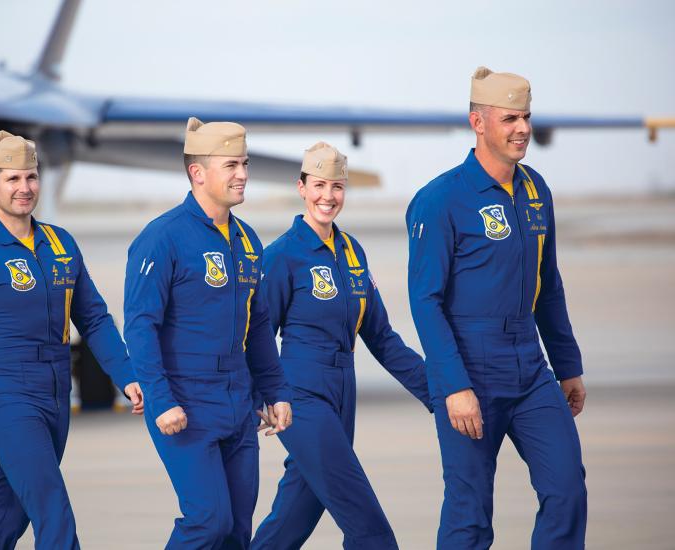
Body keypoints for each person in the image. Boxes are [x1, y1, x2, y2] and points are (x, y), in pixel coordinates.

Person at [0, 130, 143, 549]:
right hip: (6, 393)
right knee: (53, 509)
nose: (24, 188)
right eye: (12, 179)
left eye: (31, 177)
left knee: (7, 518)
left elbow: (94, 319)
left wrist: (127, 375)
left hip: (56, 393)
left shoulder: (61, 245)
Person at [406, 67, 588, 549]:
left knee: (567, 489)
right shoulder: (440, 199)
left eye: (526, 117)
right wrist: (455, 385)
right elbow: (425, 302)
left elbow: (548, 286)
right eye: (509, 118)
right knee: (469, 517)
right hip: (469, 366)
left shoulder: (535, 191)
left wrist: (567, 365)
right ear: (478, 122)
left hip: (530, 365)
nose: (522, 128)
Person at [251, 142, 432, 549]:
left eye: (337, 186)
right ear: (301, 187)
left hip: (342, 393)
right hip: (301, 395)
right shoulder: (282, 256)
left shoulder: (352, 253)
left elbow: (382, 338)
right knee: (370, 529)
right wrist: (259, 397)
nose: (327, 197)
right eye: (318, 185)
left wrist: (438, 391)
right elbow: (258, 336)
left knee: (291, 521)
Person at [122, 117, 293, 549]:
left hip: (238, 400)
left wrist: (275, 392)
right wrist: (160, 400)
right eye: (231, 165)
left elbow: (258, 329)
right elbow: (141, 327)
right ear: (198, 173)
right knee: (207, 522)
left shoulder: (247, 240)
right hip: (186, 400)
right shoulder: (162, 238)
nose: (243, 174)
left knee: (237, 530)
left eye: (245, 163)